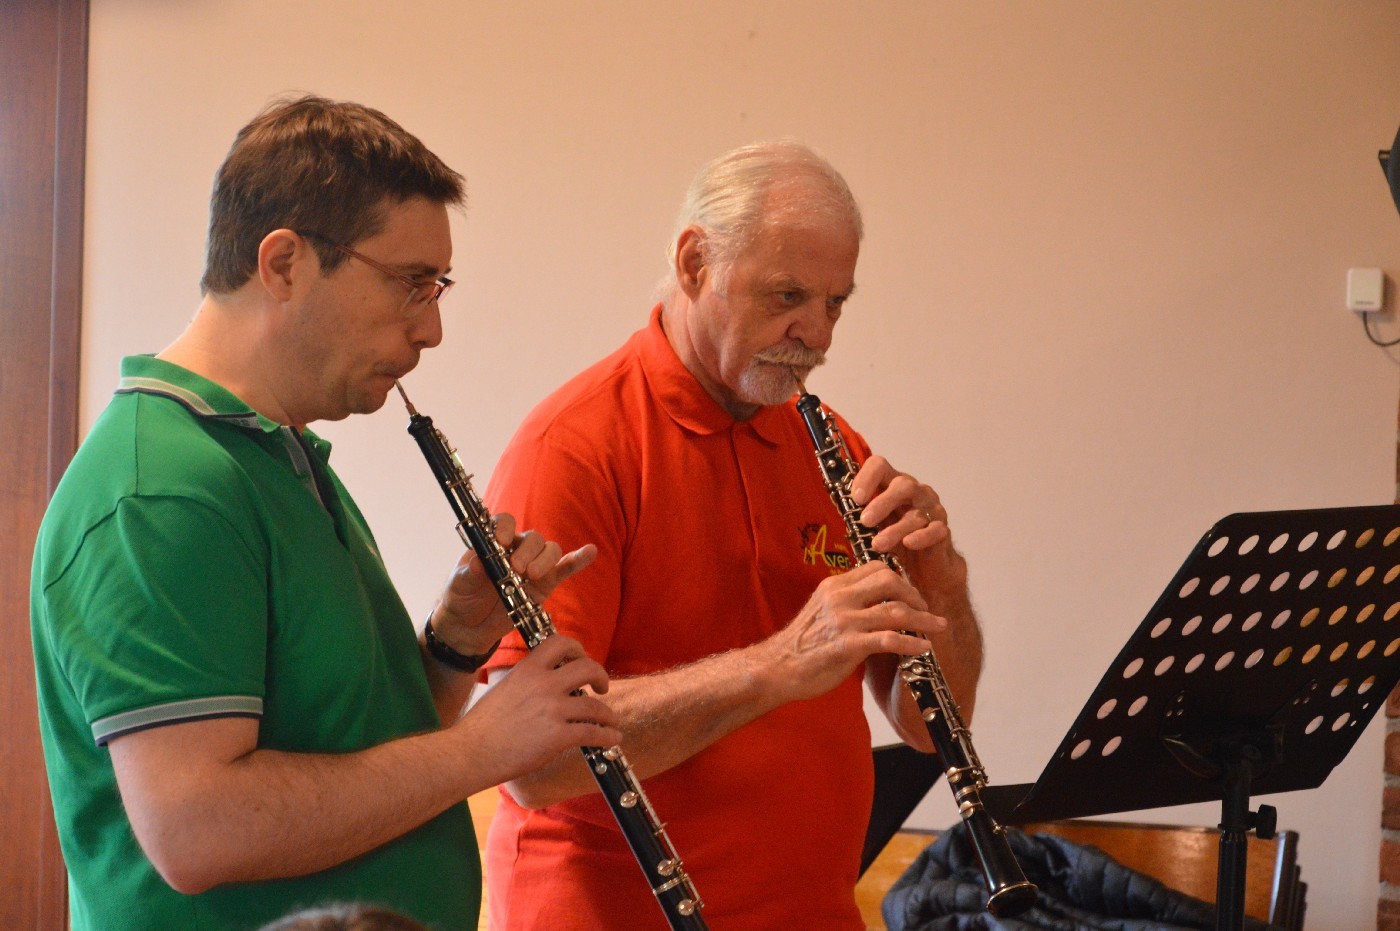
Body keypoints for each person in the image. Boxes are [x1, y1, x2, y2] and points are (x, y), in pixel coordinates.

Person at [29, 95, 620, 931]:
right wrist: (483, 749)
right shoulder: (161, 492)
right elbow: (198, 828)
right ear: (283, 264)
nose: (434, 328)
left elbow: (348, 747)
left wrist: (452, 647)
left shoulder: (275, 453)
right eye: (412, 284)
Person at [479, 141, 985, 929]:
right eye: (788, 294)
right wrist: (776, 664)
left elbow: (928, 725)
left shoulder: (831, 443)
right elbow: (532, 761)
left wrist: (941, 577)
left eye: (836, 302)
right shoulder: (576, 445)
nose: (817, 335)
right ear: (694, 263)